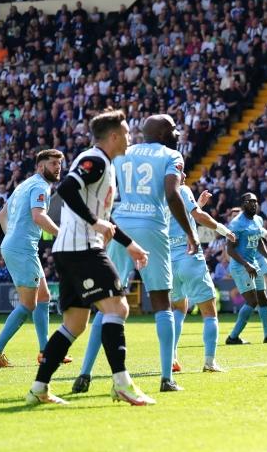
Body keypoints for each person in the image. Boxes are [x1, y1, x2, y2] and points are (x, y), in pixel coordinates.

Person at [26, 109, 152, 405]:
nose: (130, 137)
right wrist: (95, 222)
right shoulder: (94, 160)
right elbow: (68, 188)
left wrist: (129, 244)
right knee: (118, 308)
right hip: (82, 249)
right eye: (127, 133)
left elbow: (104, 219)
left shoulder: (104, 165)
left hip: (72, 250)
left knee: (75, 323)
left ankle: (39, 388)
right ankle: (121, 383)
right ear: (114, 136)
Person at [73, 114, 198, 394]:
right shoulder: (171, 154)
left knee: (107, 303)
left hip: (119, 225)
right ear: (164, 133)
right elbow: (171, 192)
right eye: (173, 129)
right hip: (152, 225)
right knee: (162, 302)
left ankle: (84, 373)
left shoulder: (124, 153)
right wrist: (189, 231)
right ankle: (167, 378)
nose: (177, 133)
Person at [0, 149, 68, 368]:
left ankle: (46, 352)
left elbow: (2, 215)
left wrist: (12, 238)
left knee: (43, 298)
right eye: (52, 163)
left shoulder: (24, 184)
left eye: (59, 164)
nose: (57, 167)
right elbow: (38, 216)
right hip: (22, 248)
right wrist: (61, 234)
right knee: (28, 304)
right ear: (40, 166)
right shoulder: (39, 186)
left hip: (17, 246)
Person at [168, 179, 235, 374]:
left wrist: (198, 203)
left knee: (178, 309)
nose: (185, 176)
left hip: (169, 259)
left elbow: (182, 214)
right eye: (182, 171)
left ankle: (171, 358)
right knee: (209, 311)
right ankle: (209, 362)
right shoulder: (181, 188)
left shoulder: (159, 193)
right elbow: (197, 216)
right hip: (188, 254)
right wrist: (224, 230)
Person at [224, 193, 267, 344]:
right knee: (252, 301)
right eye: (250, 202)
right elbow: (230, 250)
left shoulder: (258, 220)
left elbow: (259, 241)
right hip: (240, 266)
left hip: (253, 264)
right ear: (243, 204)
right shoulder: (236, 224)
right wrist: (246, 265)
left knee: (263, 299)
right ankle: (233, 337)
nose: (254, 204)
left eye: (256, 201)